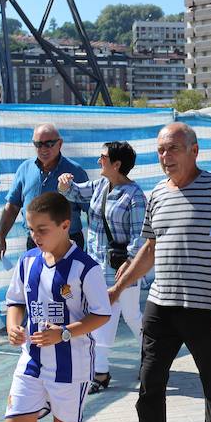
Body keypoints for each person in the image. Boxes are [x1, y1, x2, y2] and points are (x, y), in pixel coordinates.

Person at [109, 123, 211, 422]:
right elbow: (148, 249)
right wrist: (120, 286)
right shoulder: (157, 195)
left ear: (194, 151)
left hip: (206, 306)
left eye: (174, 149)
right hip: (161, 304)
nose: (166, 157)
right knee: (149, 385)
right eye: (161, 150)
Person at [4, 192, 111, 422]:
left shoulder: (87, 268)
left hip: (71, 363)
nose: (35, 236)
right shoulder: (27, 262)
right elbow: (15, 301)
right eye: (31, 229)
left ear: (66, 225)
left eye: (42, 229)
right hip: (32, 360)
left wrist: (64, 333)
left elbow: (101, 315)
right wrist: (12, 325)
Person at [58, 141, 147, 394]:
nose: (99, 161)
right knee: (116, 316)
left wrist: (130, 263)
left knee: (115, 318)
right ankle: (123, 364)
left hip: (122, 271)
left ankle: (103, 372)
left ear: (116, 164)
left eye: (103, 157)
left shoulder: (134, 195)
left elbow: (140, 236)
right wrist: (65, 184)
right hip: (96, 269)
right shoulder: (100, 186)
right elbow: (74, 193)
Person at [0, 124, 88, 259]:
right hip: (35, 243)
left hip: (67, 243)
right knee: (35, 280)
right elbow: (12, 207)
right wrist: (0, 237)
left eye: (49, 144)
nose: (43, 149)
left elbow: (92, 210)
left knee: (67, 281)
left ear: (60, 144)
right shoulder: (25, 169)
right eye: (38, 144)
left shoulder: (75, 171)